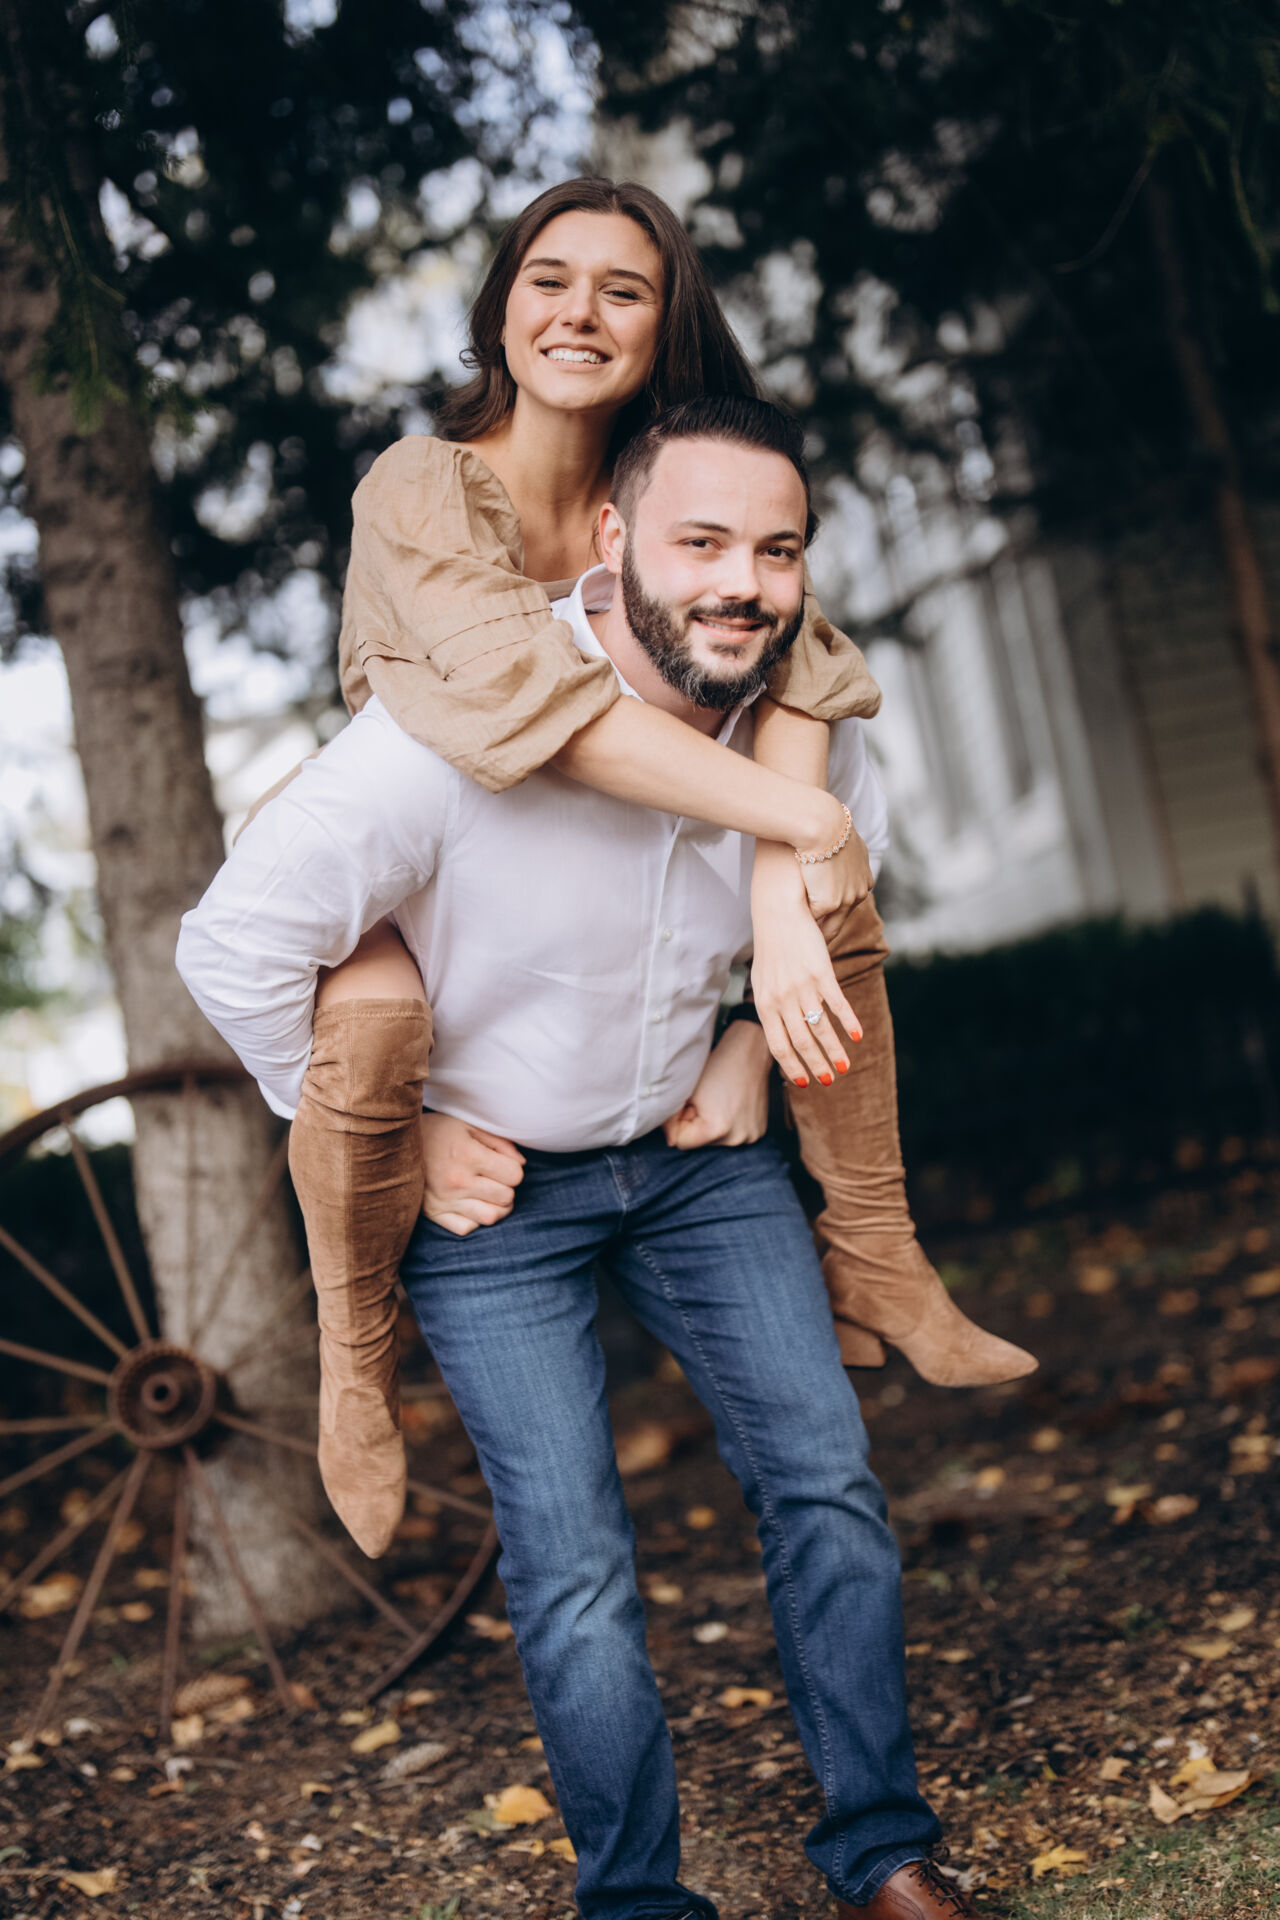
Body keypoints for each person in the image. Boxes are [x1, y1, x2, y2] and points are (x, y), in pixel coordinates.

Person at [178, 397, 996, 1920]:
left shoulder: (796, 738)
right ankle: (635, 1902)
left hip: (699, 1165)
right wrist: (403, 1131)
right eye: (703, 543)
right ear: (612, 542)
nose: (743, 582)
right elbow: (230, 945)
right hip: (492, 1205)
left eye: (777, 551)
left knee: (827, 1483)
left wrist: (750, 1043)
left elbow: (842, 897)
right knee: (572, 1566)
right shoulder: (449, 734)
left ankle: (882, 1853)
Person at [239, 175, 1033, 1559]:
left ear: (667, 322)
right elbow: (542, 713)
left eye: (625, 288)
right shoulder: (424, 489)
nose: (580, 313)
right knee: (367, 1028)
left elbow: (804, 666)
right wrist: (799, 825)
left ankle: (877, 1249)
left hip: (599, 882)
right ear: (501, 307)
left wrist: (777, 924)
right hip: (413, 860)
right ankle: (354, 1363)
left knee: (834, 905)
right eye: (550, 280)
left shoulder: (678, 479)